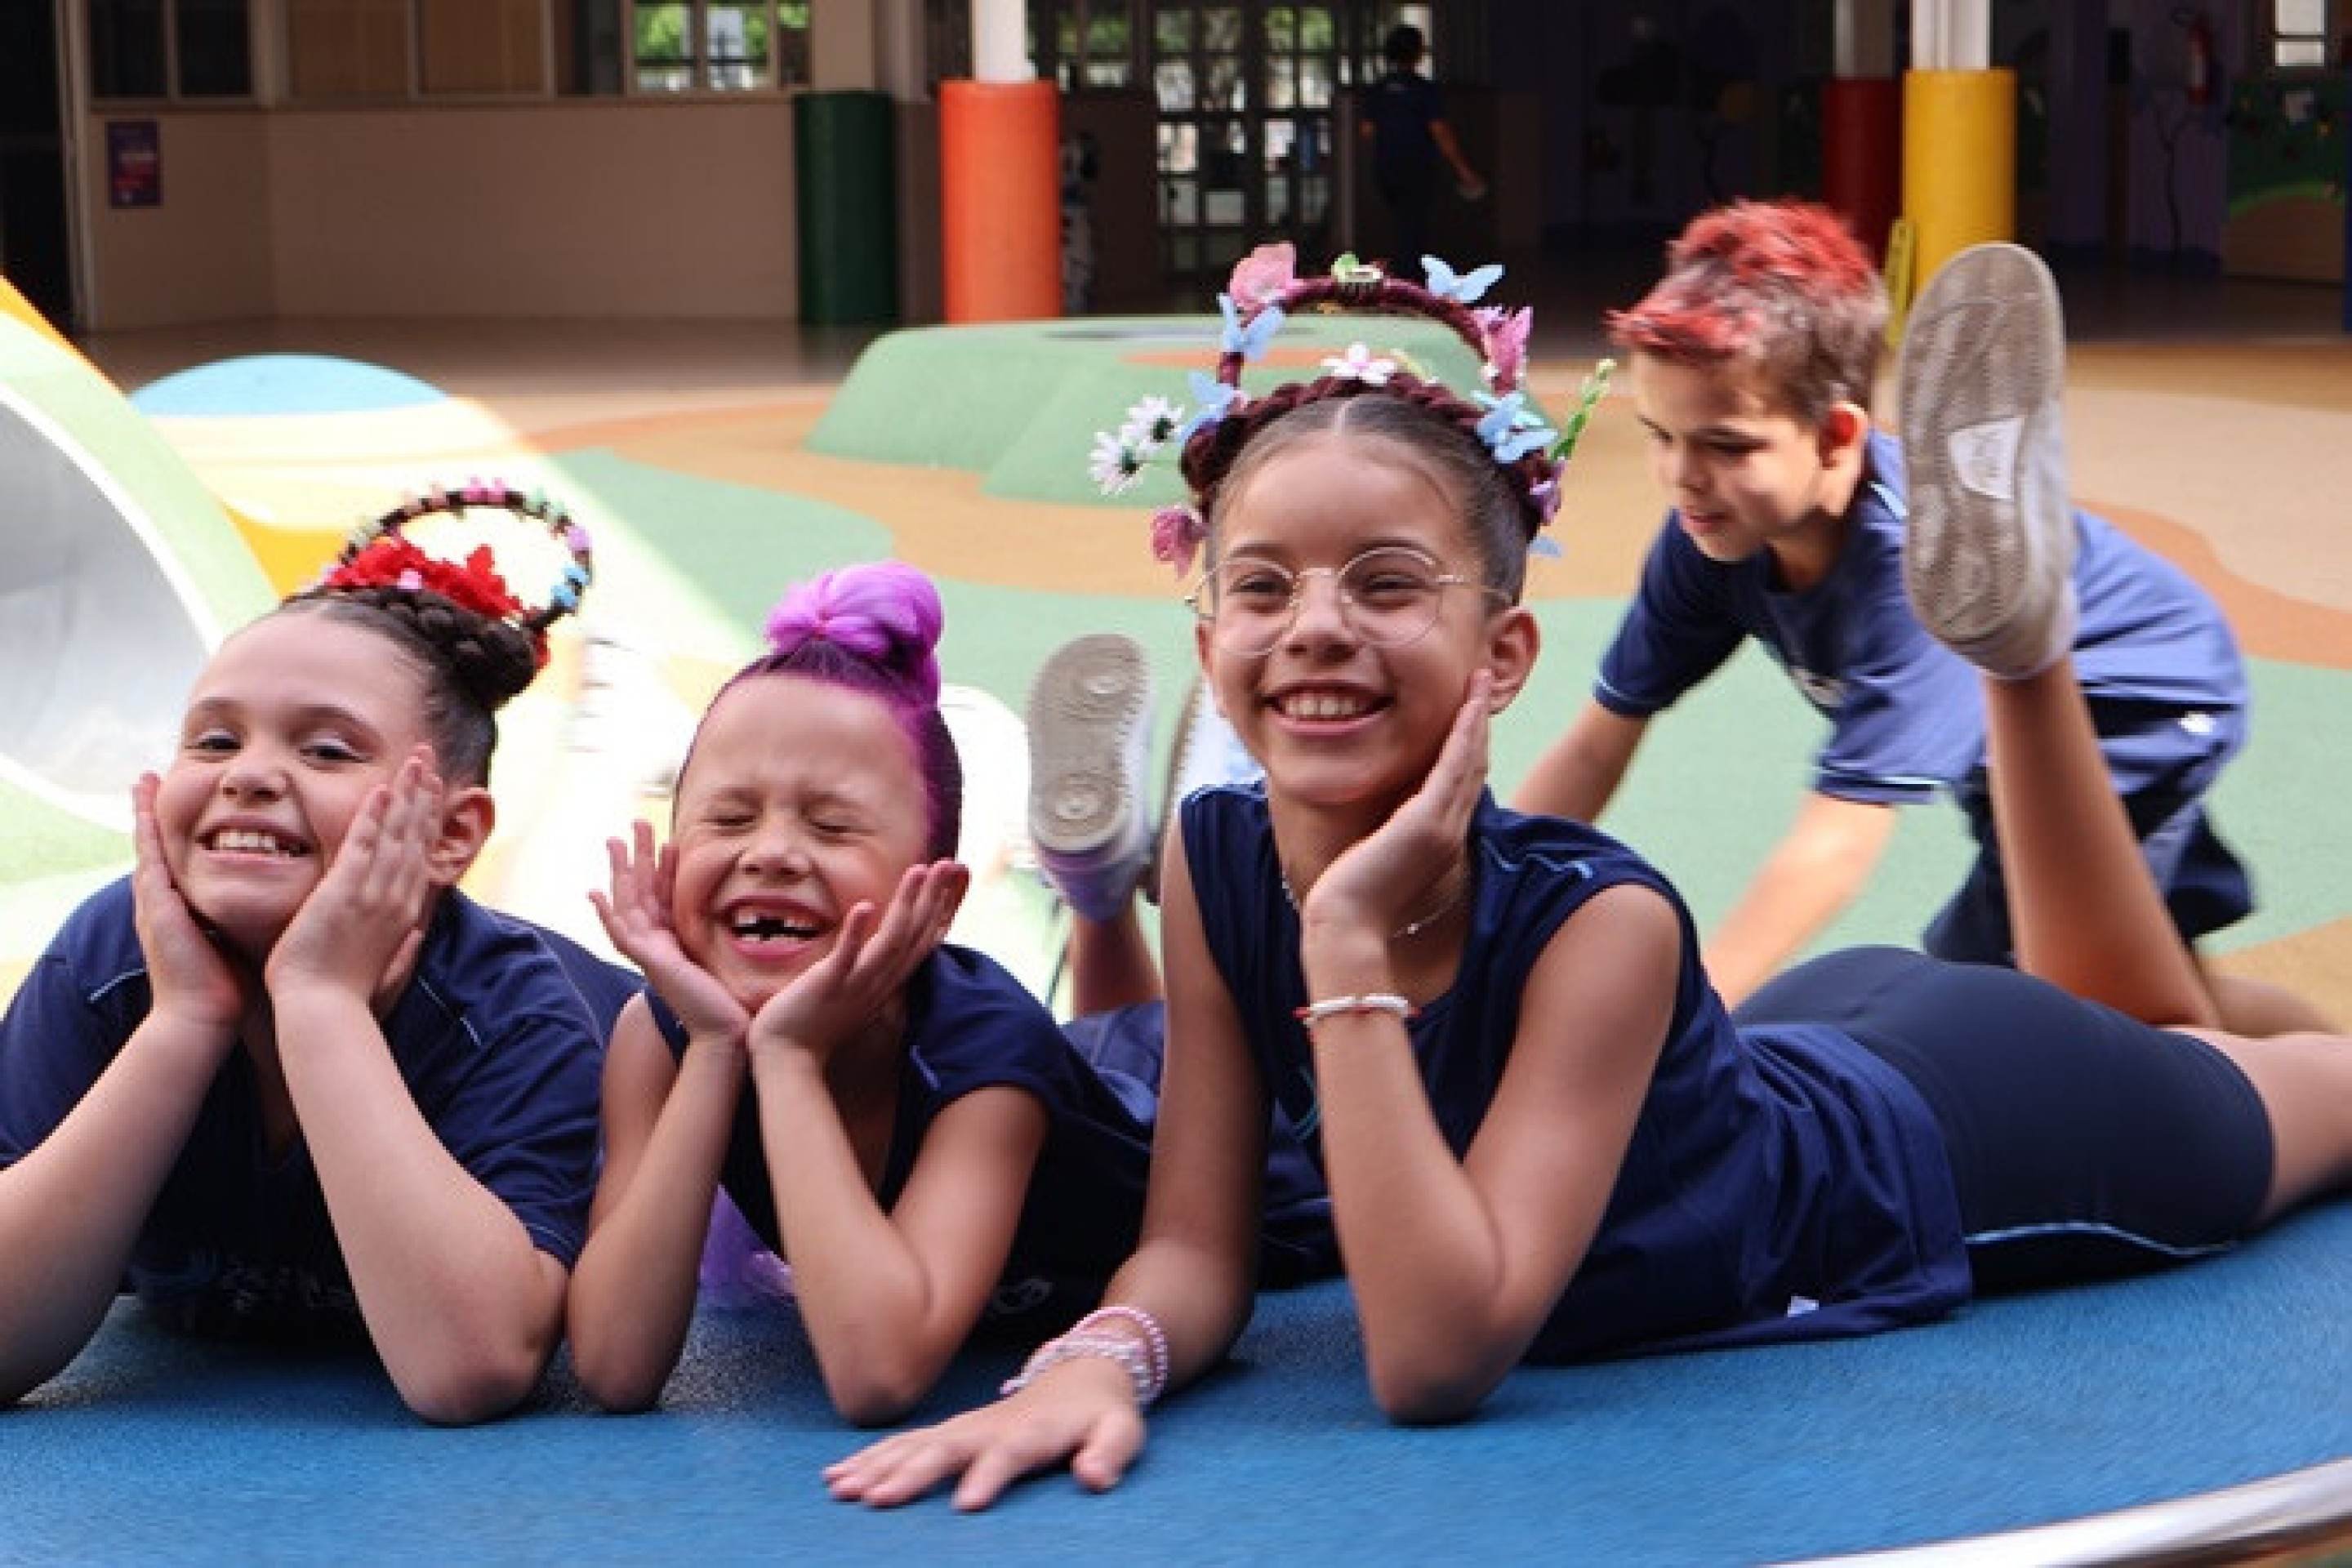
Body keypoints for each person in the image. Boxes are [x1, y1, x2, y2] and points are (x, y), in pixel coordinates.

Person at [822, 243, 2352, 1511]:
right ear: (1210, 644)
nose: (1318, 625)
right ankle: (2024, 672)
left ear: (1502, 657)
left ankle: (2018, 653)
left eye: (1389, 583)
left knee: (2260, 1079)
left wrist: (1346, 945)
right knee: (2152, 1003)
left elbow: (1431, 1359)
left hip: (1960, 1136)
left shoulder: (1600, 922)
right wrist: (1108, 1356)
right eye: (1263, 586)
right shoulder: (1218, 863)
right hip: (1794, 1043)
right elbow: (1202, 1243)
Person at [1508, 202, 2309, 1030]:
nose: (1682, 476)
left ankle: (2237, 1125)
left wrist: (1697, 1015)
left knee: (2040, 1005)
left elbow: (1836, 843)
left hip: (2132, 696)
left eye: (1728, 445)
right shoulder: (1709, 538)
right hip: (2021, 727)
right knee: (2168, 983)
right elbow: (1598, 740)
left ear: (1836, 436)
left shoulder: (1917, 567)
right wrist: (1484, 881)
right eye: (1660, 435)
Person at [564, 564, 1325, 1428]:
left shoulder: (985, 1060)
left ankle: (1205, 817)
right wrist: (711, 1050)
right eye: (729, 818)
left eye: (831, 825)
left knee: (1163, 1042)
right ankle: (1097, 891)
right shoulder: (661, 1034)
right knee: (1103, 1040)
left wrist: (783, 1055)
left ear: (937, 904)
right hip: (1085, 1066)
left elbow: (877, 1374)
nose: (770, 851)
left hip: (1218, 1144)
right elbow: (616, 1367)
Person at [0, 483, 634, 1424]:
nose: (251, 774)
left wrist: (320, 1004)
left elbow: (470, 1368)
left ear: (452, 836)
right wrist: (185, 1024)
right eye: (214, 740)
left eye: (329, 752)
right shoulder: (109, 964)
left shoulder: (517, 1013)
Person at [1359, 24, 1485, 277]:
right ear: (1418, 53)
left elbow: (1366, 131)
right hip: (1417, 168)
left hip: (1386, 168)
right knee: (1413, 230)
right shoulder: (1425, 90)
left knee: (1402, 226)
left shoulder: (1378, 89)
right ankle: (1409, 286)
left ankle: (1404, 280)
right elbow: (1439, 131)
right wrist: (1463, 170)